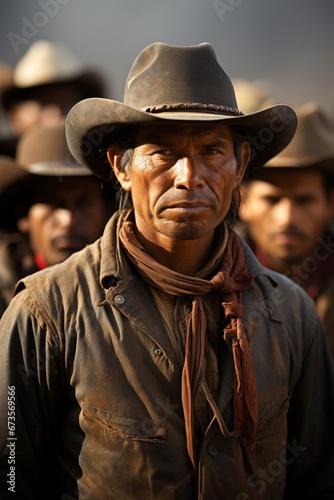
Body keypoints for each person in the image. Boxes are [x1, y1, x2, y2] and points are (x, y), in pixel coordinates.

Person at [0, 42, 333, 499]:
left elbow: (316, 477)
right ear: (120, 165)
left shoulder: (291, 315)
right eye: (163, 152)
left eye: (213, 151)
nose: (188, 176)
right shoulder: (46, 311)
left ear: (241, 166)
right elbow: (12, 474)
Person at [238, 102, 334, 358]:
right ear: (242, 202)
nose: (287, 218)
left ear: (330, 204)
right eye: (272, 200)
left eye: (304, 200)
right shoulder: (212, 281)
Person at [0, 119, 116, 316]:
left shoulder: (131, 289)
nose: (68, 220)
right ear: (23, 214)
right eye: (52, 203)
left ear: (107, 212)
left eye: (83, 202)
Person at [0, 40, 106, 157]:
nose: (58, 115)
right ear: (16, 116)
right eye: (43, 103)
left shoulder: (108, 162)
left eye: (67, 102)